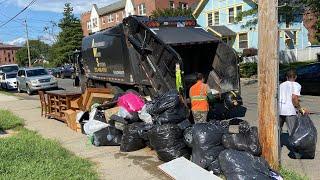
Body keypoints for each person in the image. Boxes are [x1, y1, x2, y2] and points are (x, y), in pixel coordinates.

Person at [279, 69, 308, 134]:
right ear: (295, 77)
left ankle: (278, 143)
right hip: (290, 111)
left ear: (286, 77)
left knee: (277, 130)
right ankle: (292, 143)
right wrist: (300, 109)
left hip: (279, 110)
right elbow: (294, 98)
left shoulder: (281, 85)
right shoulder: (296, 85)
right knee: (292, 132)